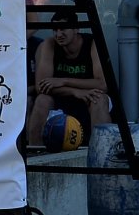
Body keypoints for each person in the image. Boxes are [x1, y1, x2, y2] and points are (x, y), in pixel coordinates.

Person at [22, 11, 110, 150]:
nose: (58, 34)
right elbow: (41, 87)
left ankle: (101, 151)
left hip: (88, 97)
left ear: (76, 29)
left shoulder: (92, 43)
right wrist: (74, 91)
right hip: (62, 98)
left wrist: (64, 80)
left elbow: (102, 84)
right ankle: (36, 152)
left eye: (63, 29)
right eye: (55, 30)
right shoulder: (49, 45)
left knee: (99, 99)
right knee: (42, 100)